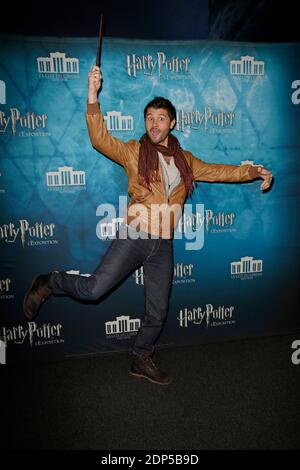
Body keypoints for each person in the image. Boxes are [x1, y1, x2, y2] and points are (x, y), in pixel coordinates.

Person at [23, 65, 273, 385]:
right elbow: (100, 139)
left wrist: (254, 172)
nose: (154, 124)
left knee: (158, 311)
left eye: (160, 118)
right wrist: (91, 94)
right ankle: (49, 281)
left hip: (163, 243)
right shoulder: (133, 151)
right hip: (134, 234)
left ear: (172, 123)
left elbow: (222, 171)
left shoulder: (187, 160)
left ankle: (141, 357)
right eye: (149, 118)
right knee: (94, 289)